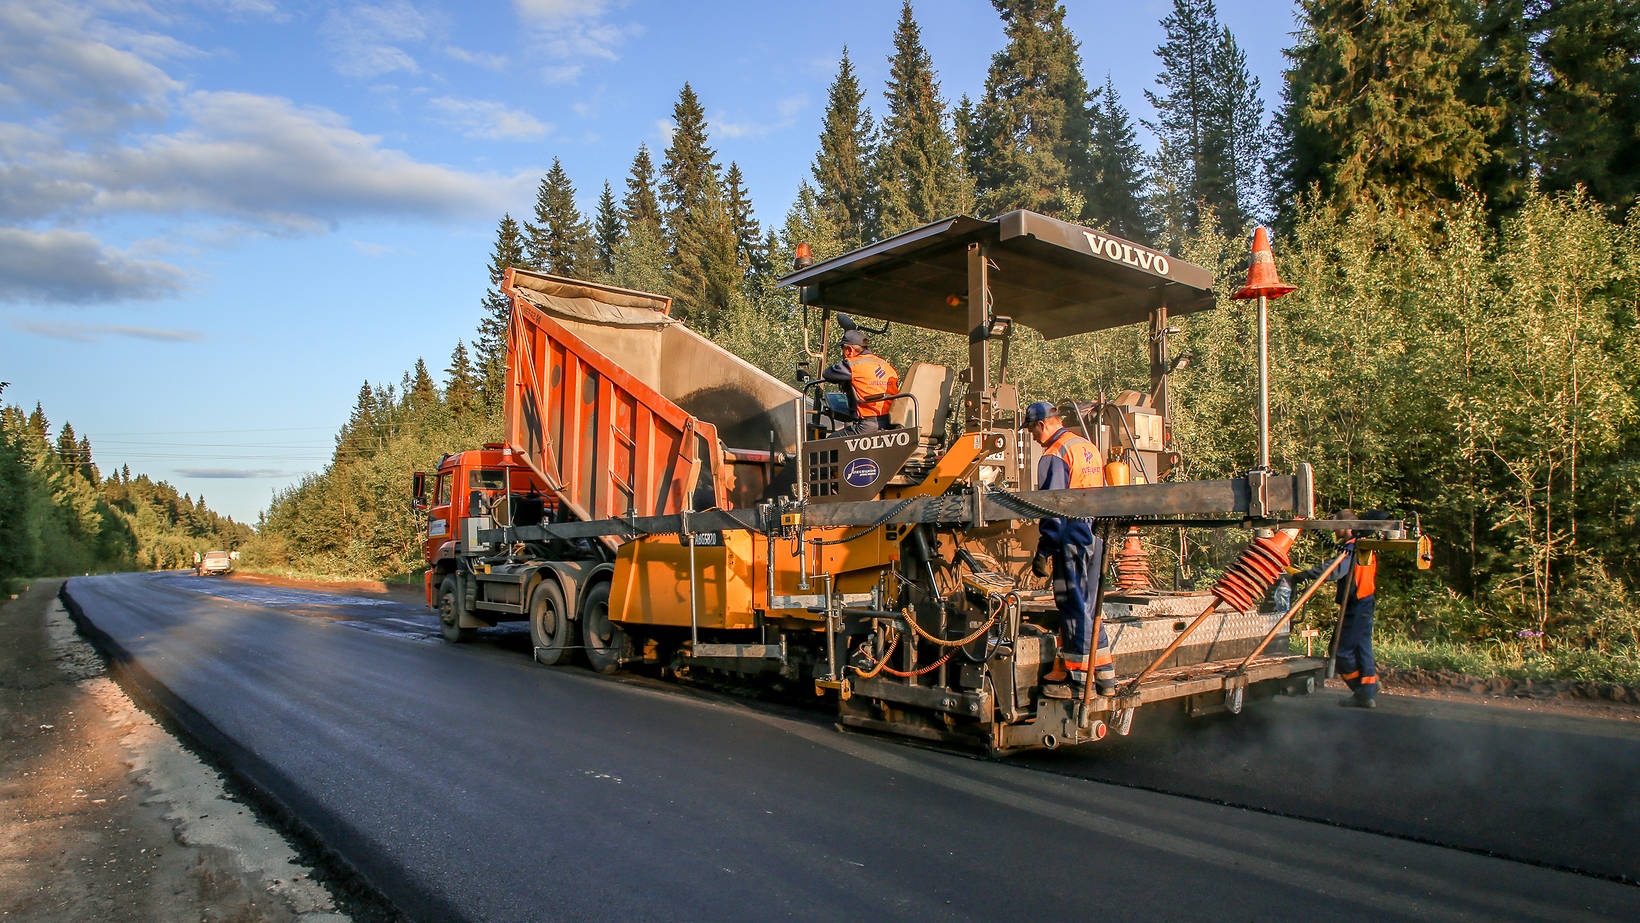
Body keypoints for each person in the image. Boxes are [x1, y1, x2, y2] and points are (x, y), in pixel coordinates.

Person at [1022, 401, 1115, 698]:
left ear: (1042, 424)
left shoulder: (1054, 454)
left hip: (1070, 538)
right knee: (1090, 604)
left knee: (1071, 604)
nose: (1033, 438)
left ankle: (1075, 681)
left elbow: (1054, 506)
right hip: (1094, 536)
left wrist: (1044, 550)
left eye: (1032, 431)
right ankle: (1104, 676)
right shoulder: (1087, 447)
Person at [1297, 508, 1383, 709]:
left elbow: (1334, 570)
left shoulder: (1352, 548)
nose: (1334, 531)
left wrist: (1306, 574)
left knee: (1342, 651)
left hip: (1357, 605)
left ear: (1346, 527)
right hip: (1365, 602)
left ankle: (1362, 692)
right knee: (1363, 650)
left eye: (1336, 526)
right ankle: (1369, 687)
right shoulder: (1360, 546)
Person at [821, 329, 899, 434]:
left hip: (869, 425)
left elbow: (828, 374)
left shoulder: (853, 364)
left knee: (827, 445)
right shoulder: (886, 365)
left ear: (850, 349)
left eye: (843, 350)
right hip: (891, 421)